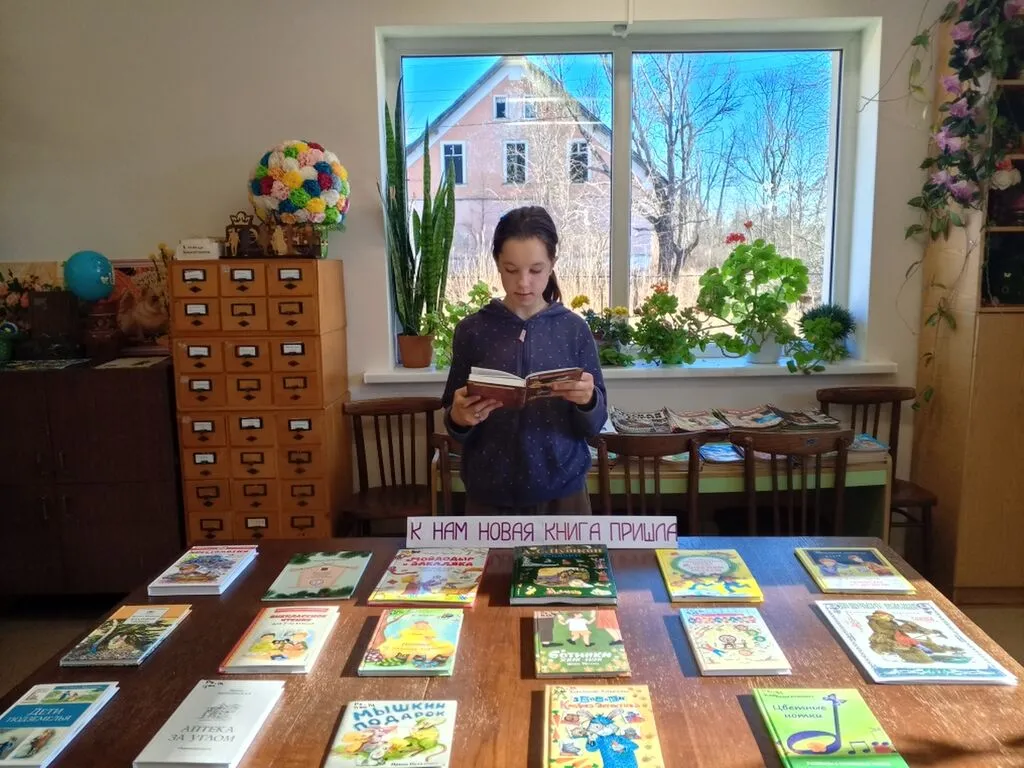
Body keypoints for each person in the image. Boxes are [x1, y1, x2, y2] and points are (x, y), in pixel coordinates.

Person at [442, 206, 607, 514]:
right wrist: (459, 418)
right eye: (511, 269)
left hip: (563, 493)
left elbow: (595, 424)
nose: (523, 283)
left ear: (553, 264)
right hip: (488, 493)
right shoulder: (472, 330)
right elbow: (454, 418)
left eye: (536, 270)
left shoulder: (574, 329)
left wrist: (588, 401)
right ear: (497, 263)